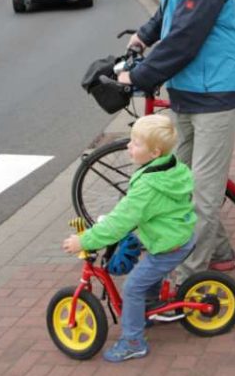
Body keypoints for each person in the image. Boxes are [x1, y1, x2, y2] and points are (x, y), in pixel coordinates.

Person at [117, 0, 235, 278]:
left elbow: (187, 35)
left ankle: (185, 278)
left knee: (203, 195)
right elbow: (166, 16)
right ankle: (221, 251)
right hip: (186, 92)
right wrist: (141, 39)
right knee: (183, 186)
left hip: (214, 92)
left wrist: (139, 76)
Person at [62, 114, 196, 362]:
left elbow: (119, 222)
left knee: (133, 287)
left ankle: (134, 342)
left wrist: (85, 241)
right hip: (176, 233)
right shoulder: (170, 165)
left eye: (135, 143)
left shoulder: (147, 187)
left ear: (154, 152)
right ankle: (150, 305)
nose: (128, 146)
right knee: (145, 272)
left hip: (169, 244)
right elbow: (133, 209)